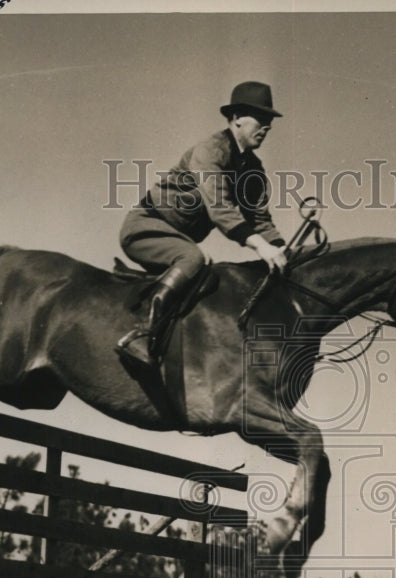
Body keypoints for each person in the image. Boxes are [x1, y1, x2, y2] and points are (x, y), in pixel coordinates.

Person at [115, 80, 288, 368]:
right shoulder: (210, 151)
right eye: (261, 118)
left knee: (207, 275)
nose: (267, 126)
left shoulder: (253, 170)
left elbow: (260, 220)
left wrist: (283, 252)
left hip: (178, 240)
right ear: (235, 119)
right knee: (194, 258)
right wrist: (261, 248)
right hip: (146, 228)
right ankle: (142, 335)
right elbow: (221, 209)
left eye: (270, 120)